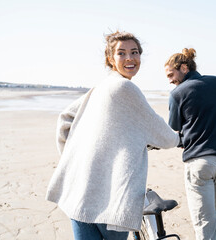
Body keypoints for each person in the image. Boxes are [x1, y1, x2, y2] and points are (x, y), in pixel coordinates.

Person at [46, 31, 180, 240]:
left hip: (78, 190)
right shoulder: (125, 88)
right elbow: (164, 136)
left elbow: (65, 120)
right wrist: (179, 137)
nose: (129, 58)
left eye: (134, 52)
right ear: (110, 58)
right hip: (109, 197)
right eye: (121, 53)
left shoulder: (99, 88)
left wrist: (74, 160)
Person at [164, 48, 216, 240]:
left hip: (200, 163)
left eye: (171, 74)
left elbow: (173, 128)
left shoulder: (177, 93)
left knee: (203, 222)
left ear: (184, 68)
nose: (169, 80)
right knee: (215, 214)